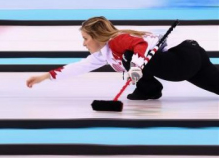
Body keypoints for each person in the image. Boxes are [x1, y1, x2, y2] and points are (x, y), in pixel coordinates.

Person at [26, 16, 219, 100]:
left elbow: (140, 46)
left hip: (181, 60)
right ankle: (148, 89)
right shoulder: (105, 53)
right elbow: (79, 67)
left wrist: (134, 66)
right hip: (192, 55)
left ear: (97, 36)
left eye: (85, 38)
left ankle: (149, 90)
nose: (83, 44)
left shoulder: (117, 41)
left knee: (128, 57)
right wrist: (45, 76)